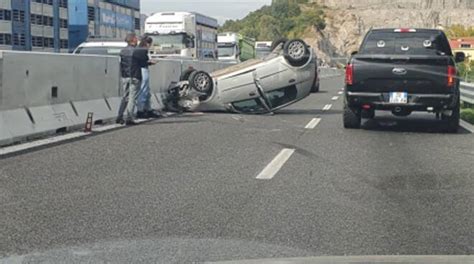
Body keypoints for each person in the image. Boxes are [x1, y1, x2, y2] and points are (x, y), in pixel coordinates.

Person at [136, 36, 160, 119]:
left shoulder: (138, 49)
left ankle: (146, 109)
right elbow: (144, 62)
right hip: (143, 71)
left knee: (146, 91)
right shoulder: (143, 51)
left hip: (139, 70)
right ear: (147, 43)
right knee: (144, 90)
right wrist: (151, 62)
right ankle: (141, 110)